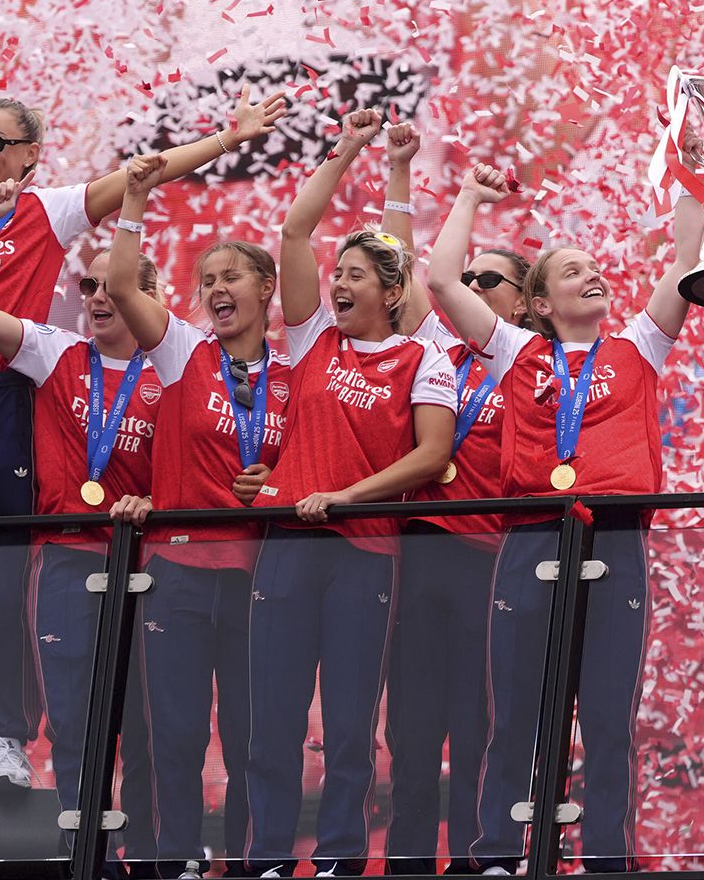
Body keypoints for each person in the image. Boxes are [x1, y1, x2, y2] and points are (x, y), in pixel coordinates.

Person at [0, 88, 286, 793]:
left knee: (3, 584)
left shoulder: (52, 209)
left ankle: (8, 737)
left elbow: (144, 173)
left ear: (30, 154)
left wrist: (231, 137)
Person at [424, 161, 701, 874]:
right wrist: (470, 197)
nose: (594, 276)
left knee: (608, 715)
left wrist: (691, 178)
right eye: (574, 272)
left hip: (615, 539)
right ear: (541, 303)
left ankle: (607, 856)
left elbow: (688, 261)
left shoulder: (640, 344)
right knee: (516, 709)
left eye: (597, 268)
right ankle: (498, 854)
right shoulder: (516, 351)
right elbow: (444, 282)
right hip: (533, 536)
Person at [244, 108, 458, 878]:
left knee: (346, 725)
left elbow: (432, 456)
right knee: (271, 717)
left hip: (365, 552)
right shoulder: (311, 341)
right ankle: (268, 857)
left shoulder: (423, 358)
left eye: (356, 274)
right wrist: (345, 152)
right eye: (339, 274)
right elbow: (295, 236)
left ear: (392, 291)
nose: (336, 282)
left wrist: (344, 497)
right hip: (291, 544)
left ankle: (337, 857)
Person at [0, 174, 165, 828]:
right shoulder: (57, 352)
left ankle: (147, 854)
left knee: (148, 721)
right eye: (88, 286)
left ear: (145, 293)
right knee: (74, 716)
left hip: (150, 570)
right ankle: (84, 852)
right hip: (69, 563)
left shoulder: (174, 366)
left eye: (113, 284)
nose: (99, 297)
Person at [101, 153, 292, 880]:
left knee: (251, 734)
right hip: (177, 573)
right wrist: (137, 201)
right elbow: (122, 283)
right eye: (206, 279)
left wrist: (275, 476)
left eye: (231, 276)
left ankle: (250, 861)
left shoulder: (294, 376)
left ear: (266, 287)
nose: (216, 288)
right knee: (175, 733)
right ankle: (174, 857)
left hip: (258, 578)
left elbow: (312, 459)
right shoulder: (183, 353)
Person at [378, 127, 526, 877]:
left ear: (524, 302)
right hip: (419, 550)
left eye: (489, 282)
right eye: (470, 278)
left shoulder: (532, 365)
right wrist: (401, 171)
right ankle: (406, 863)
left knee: (478, 725)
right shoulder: (436, 346)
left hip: (489, 560)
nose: (472, 289)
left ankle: (478, 862)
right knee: (410, 728)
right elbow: (407, 271)